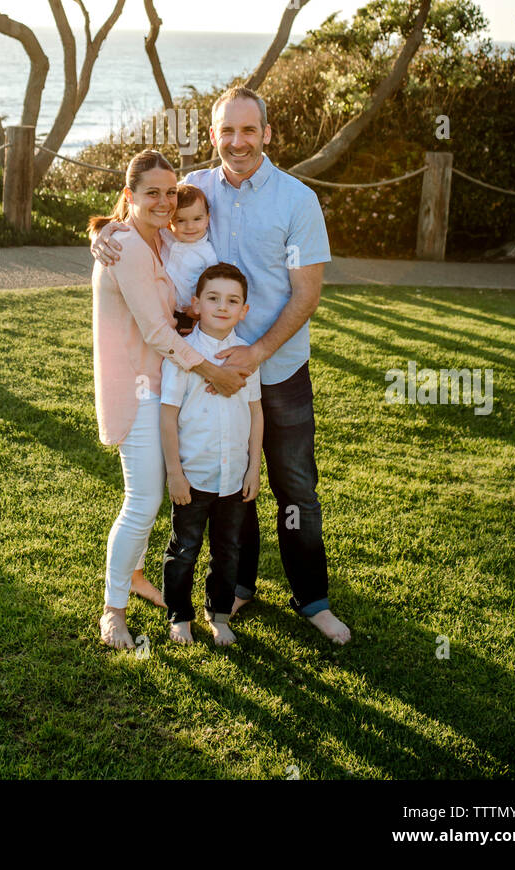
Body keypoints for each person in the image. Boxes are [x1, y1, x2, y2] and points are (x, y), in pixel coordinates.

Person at [91, 86, 351, 645]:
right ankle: (238, 586)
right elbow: (142, 218)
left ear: (267, 134)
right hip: (201, 373)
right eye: (226, 131)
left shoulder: (297, 200)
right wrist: (101, 235)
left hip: (275, 369)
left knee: (295, 488)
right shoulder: (195, 189)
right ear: (213, 136)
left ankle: (313, 599)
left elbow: (307, 295)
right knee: (231, 480)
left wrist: (255, 354)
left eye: (248, 130)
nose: (238, 141)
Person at [89, 149, 249, 650]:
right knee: (143, 500)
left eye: (169, 192)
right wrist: (210, 370)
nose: (164, 201)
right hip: (138, 386)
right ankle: (113, 610)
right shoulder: (130, 248)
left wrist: (99, 232)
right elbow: (159, 332)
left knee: (149, 494)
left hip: (160, 384)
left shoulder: (151, 237)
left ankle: (134, 576)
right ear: (129, 196)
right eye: (151, 193)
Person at [160, 262, 263, 647]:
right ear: (196, 304)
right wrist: (175, 473)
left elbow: (255, 411)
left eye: (232, 300)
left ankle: (218, 614)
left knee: (227, 551)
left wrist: (254, 468)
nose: (223, 306)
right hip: (193, 475)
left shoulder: (246, 357)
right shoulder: (185, 356)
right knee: (184, 549)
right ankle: (179, 615)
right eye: (214, 298)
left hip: (234, 478)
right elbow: (167, 414)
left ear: (244, 310)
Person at [162, 184, 217, 332]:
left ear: (207, 219)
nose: (190, 226)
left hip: (192, 315)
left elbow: (213, 287)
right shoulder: (166, 238)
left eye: (197, 219)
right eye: (181, 220)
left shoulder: (207, 253)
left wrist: (201, 311)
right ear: (170, 222)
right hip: (163, 313)